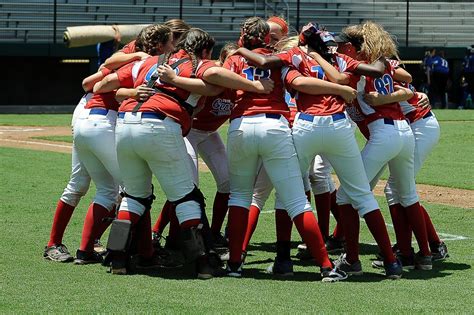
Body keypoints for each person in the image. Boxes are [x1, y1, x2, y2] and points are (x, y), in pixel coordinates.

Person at [93, 27, 274, 278]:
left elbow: (103, 84)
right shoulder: (196, 63)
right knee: (185, 196)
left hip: (125, 124)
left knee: (134, 196)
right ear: (205, 50)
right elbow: (215, 73)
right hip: (160, 124)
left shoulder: (149, 62)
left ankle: (119, 259)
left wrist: (134, 91)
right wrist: (255, 85)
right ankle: (202, 264)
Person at [223, 17, 355, 282]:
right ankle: (326, 266)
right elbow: (295, 83)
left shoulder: (234, 59)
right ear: (267, 38)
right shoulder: (281, 58)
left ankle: (235, 263)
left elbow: (217, 78)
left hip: (240, 126)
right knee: (296, 200)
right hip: (276, 126)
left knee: (240, 197)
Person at [331, 21, 433, 271]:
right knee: (407, 194)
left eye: (342, 46)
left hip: (383, 133)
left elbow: (340, 79)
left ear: (353, 47)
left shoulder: (359, 67)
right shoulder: (383, 63)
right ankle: (425, 256)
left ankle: (352, 259)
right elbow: (405, 84)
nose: (339, 51)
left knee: (346, 195)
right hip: (403, 133)